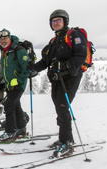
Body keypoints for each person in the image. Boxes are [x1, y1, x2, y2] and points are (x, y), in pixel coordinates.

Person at [28, 9, 87, 157]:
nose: (55, 23)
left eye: (58, 20)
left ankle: (66, 142)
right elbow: (46, 61)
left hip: (70, 77)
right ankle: (65, 139)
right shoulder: (54, 41)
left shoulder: (74, 34)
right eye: (53, 21)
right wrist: (33, 68)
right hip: (56, 79)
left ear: (65, 21)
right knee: (59, 107)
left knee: (62, 106)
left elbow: (81, 55)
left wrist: (66, 65)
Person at [0, 28, 30, 142]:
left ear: (10, 38)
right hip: (9, 85)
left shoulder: (19, 50)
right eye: (0, 39)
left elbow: (27, 68)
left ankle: (9, 132)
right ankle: (21, 129)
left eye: (5, 38)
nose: (3, 41)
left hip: (18, 85)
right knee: (16, 105)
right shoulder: (4, 51)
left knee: (9, 105)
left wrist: (19, 81)